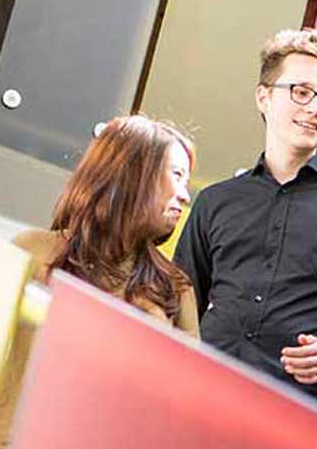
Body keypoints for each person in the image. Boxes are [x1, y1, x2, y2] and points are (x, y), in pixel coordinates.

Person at [173, 28, 317, 406]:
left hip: (291, 406)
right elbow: (177, 301)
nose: (315, 109)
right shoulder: (213, 202)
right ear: (263, 96)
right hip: (199, 390)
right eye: (301, 92)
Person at [13, 114, 197, 334]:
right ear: (131, 174)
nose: (185, 196)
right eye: (177, 175)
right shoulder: (32, 249)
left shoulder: (175, 288)